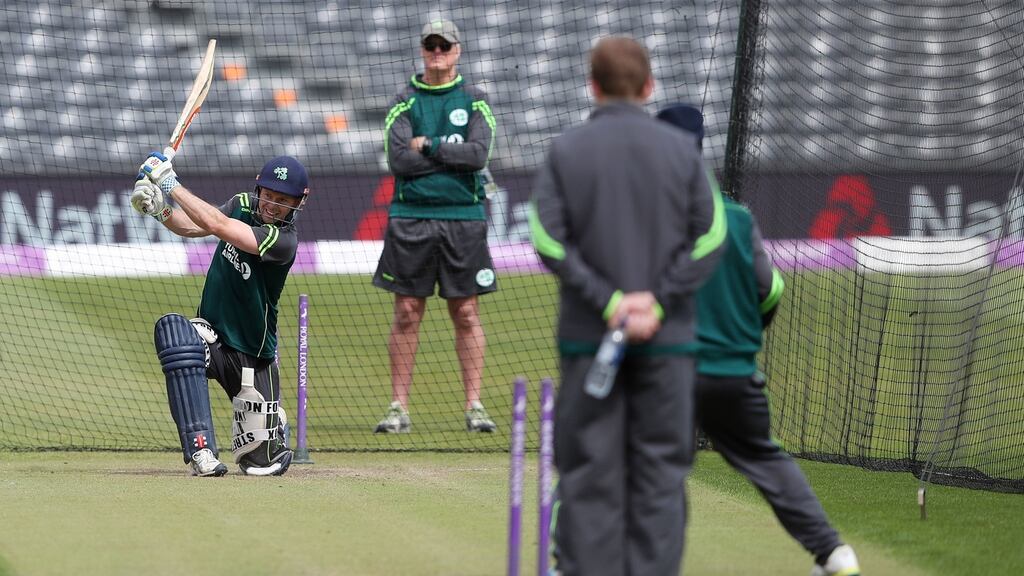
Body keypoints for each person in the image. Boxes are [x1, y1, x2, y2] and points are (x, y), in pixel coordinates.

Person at [530, 37, 726, 576]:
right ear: (648, 87)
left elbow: (547, 239)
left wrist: (611, 302)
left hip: (590, 341)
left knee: (590, 476)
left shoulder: (566, 150)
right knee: (660, 477)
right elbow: (711, 237)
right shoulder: (683, 151)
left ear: (592, 86)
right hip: (668, 343)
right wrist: (657, 302)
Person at [657, 103, 861, 576]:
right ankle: (833, 553)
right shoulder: (737, 218)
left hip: (670, 371)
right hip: (734, 370)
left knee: (658, 470)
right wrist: (743, 335)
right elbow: (769, 291)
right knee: (764, 458)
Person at [131, 151, 308, 477]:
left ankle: (272, 420)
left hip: (254, 356)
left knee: (262, 463)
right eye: (268, 195)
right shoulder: (242, 204)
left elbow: (218, 225)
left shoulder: (283, 241)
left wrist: (170, 182)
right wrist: (160, 209)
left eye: (282, 200)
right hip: (212, 337)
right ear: (258, 188)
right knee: (175, 333)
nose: (271, 205)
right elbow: (194, 226)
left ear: (300, 200)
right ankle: (201, 451)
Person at [372, 18, 498, 434]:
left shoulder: (476, 100)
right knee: (407, 311)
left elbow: (478, 155)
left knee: (465, 312)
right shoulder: (403, 101)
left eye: (445, 45)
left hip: (465, 218)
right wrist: (452, 151)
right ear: (423, 50)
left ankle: (474, 405)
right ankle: (397, 407)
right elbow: (399, 161)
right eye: (431, 45)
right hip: (411, 218)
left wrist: (428, 144)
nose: (438, 51)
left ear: (457, 50)